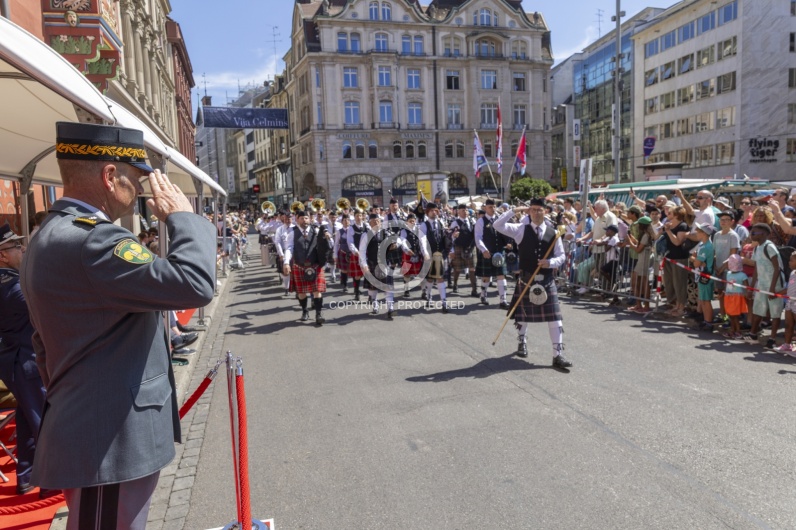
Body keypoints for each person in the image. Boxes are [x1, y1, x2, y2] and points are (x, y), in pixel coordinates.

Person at [21, 122, 216, 529]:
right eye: (136, 178)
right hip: (108, 438)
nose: (143, 190)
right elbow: (194, 283)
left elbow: (43, 345)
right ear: (111, 177)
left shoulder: (51, 234)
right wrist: (183, 218)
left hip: (98, 425)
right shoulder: (94, 240)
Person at [493, 198, 572, 369]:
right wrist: (515, 210)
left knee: (555, 319)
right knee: (523, 316)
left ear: (546, 211)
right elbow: (497, 225)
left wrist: (549, 263)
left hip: (547, 279)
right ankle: (522, 342)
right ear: (529, 212)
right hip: (527, 278)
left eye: (539, 210)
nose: (536, 212)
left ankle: (557, 355)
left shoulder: (554, 232)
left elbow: (561, 256)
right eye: (533, 209)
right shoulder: (520, 229)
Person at [0, 224, 49, 497]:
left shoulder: (10, 279)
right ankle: (54, 482)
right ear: (3, 255)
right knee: (44, 420)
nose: (22, 249)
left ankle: (27, 476)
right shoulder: (11, 286)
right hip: (25, 360)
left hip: (16, 359)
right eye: (15, 247)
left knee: (27, 418)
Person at [283, 209, 331, 325]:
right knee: (301, 292)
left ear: (309, 219)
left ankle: (319, 314)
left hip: (315, 265)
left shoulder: (317, 231)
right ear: (297, 220)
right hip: (299, 266)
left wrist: (328, 238)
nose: (304, 220)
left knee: (317, 290)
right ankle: (305, 311)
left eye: (306, 218)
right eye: (301, 218)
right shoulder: (292, 233)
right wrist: (286, 262)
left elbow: (329, 245)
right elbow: (289, 248)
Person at [743, 223, 784, 347]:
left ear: (765, 234)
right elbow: (757, 268)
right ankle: (753, 335)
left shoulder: (769, 247)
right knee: (758, 310)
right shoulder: (757, 248)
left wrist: (772, 289)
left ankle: (772, 339)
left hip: (774, 285)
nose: (752, 235)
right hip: (762, 285)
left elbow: (777, 269)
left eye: (754, 233)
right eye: (751, 232)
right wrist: (752, 287)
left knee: (775, 313)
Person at [359, 213, 398, 319]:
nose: (376, 222)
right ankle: (375, 303)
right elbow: (362, 251)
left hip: (385, 262)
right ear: (370, 223)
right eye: (374, 221)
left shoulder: (386, 232)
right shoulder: (365, 235)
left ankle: (390, 308)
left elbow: (396, 244)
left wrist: (394, 245)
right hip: (372, 263)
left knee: (388, 286)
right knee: (373, 287)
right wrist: (364, 265)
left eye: (378, 221)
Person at [474, 199, 509, 308]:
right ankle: (483, 295)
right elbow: (478, 237)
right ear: (485, 208)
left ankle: (503, 300)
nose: (493, 209)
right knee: (486, 277)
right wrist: (483, 250)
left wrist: (508, 243)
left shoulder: (499, 219)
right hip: (487, 252)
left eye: (494, 207)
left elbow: (506, 231)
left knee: (501, 276)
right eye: (490, 207)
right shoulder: (481, 221)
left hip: (499, 251)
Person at [419, 203, 452, 313]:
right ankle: (429, 296)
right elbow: (422, 240)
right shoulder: (424, 225)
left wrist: (451, 236)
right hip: (430, 254)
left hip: (440, 254)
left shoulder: (441, 222)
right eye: (432, 210)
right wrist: (425, 253)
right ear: (427, 212)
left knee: (440, 277)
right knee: (430, 278)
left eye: (436, 210)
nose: (434, 212)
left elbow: (445, 237)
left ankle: (444, 302)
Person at [690, 223, 716, 331]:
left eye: (699, 231)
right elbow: (697, 261)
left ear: (704, 234)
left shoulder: (706, 247)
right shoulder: (702, 245)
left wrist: (694, 259)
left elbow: (696, 263)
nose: (696, 233)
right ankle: (705, 320)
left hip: (706, 276)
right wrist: (696, 259)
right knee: (703, 300)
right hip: (702, 275)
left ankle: (708, 323)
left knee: (706, 301)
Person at [722, 254, 749, 340]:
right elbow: (727, 285)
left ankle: (738, 331)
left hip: (736, 298)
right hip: (728, 296)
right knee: (730, 315)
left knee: (735, 316)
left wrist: (747, 294)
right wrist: (723, 293)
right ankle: (732, 330)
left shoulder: (742, 275)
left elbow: (746, 286)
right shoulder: (728, 274)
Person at [774, 253, 796, 354]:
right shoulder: (792, 273)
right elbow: (789, 288)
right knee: (788, 325)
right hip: (789, 303)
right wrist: (778, 293)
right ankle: (787, 345)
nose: (789, 262)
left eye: (791, 260)